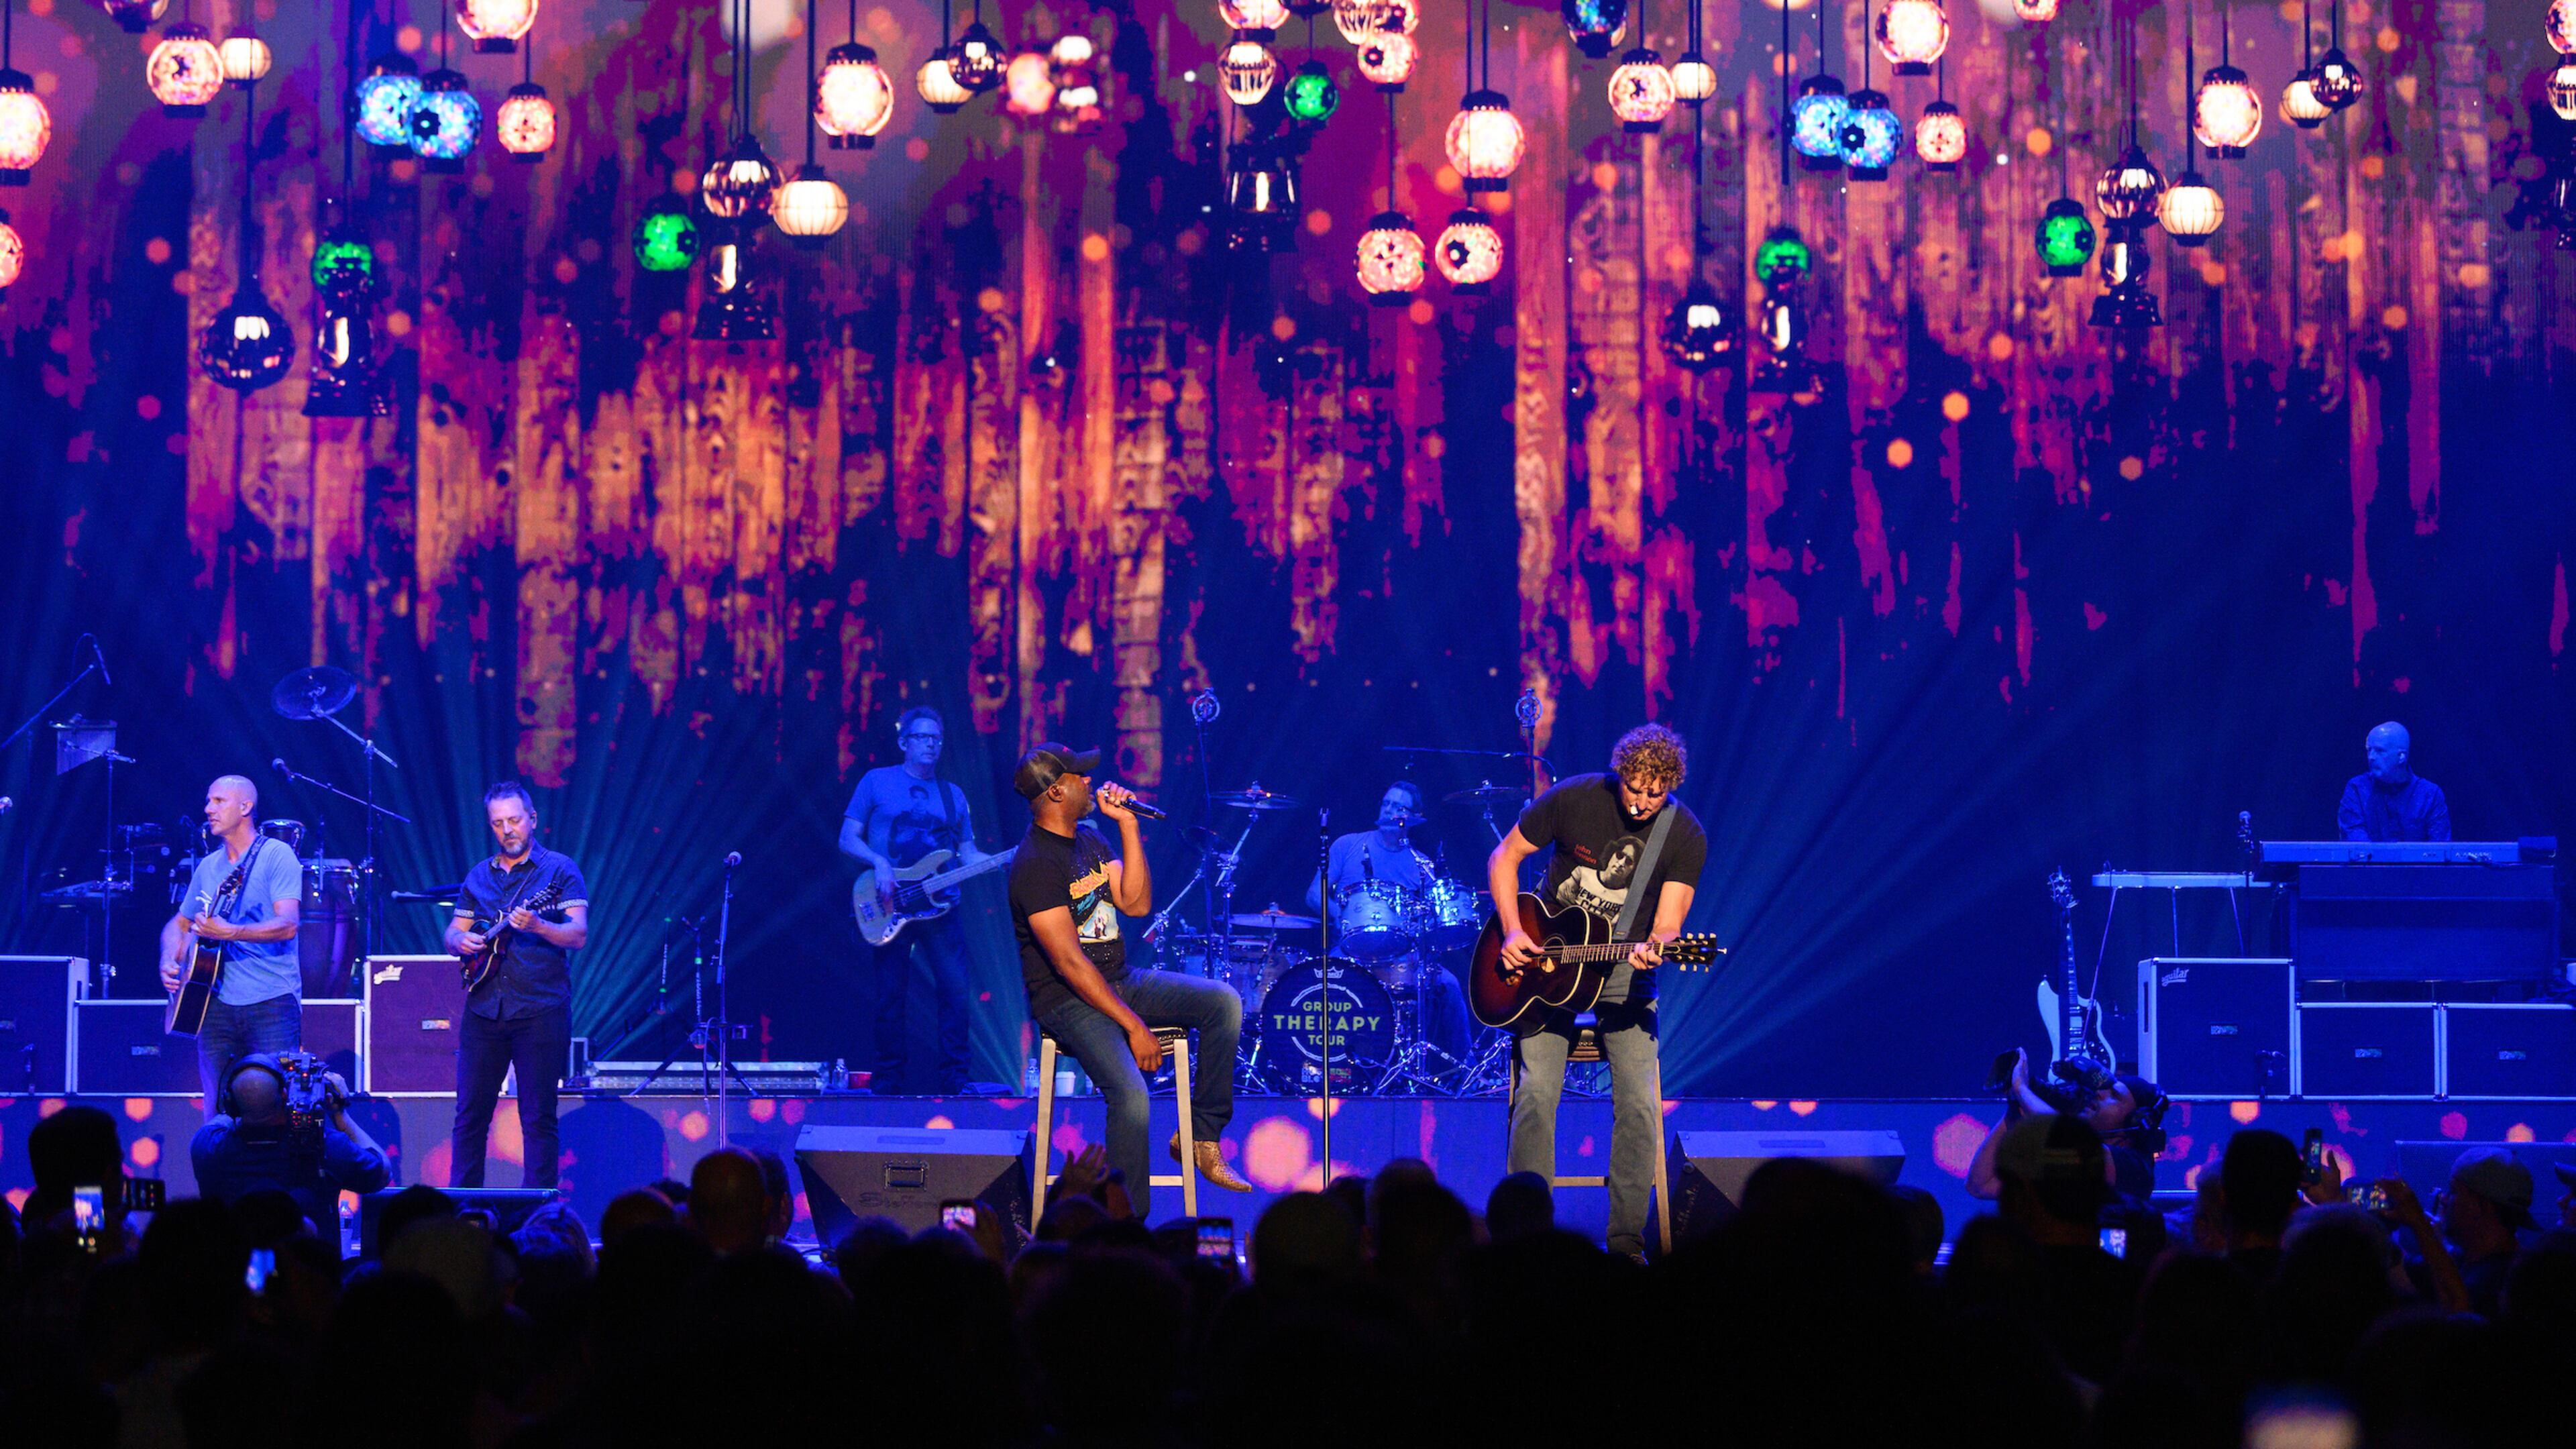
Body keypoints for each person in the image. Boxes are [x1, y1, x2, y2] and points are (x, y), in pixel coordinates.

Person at [1485, 724, 1705, 1261]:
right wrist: (1514, 930)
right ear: (1620, 773)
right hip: (1546, 967)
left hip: (1624, 977)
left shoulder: (1684, 835)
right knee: (1537, 1093)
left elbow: (1670, 923)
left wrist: (1657, 944)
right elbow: (1504, 858)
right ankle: (1527, 1242)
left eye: (1656, 793)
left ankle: (1626, 1241)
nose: (1643, 801)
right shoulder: (1575, 797)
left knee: (1639, 1103)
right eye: (1635, 787)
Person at [1006, 741, 1250, 1211]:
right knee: (1133, 1097)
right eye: (1079, 776)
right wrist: (1134, 1026)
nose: (1089, 781)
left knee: (1223, 1002)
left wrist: (1129, 825)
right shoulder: (1034, 864)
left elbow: (1136, 904)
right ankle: (1126, 1222)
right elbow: (1070, 965)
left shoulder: (1091, 838)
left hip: (1120, 978)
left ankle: (1201, 1136)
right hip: (1067, 999)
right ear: (1056, 793)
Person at [445, 781, 590, 1190]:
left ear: (533, 820)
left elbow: (578, 934)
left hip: (540, 1011)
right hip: (484, 1008)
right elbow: (452, 933)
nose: (508, 830)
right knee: (470, 1117)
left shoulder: (560, 870)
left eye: (514, 820)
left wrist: (541, 925)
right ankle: (464, 1209)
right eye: (498, 823)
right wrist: (462, 941)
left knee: (538, 1118)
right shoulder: (478, 875)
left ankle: (536, 1215)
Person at [840, 706, 990, 1095]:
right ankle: (889, 1082)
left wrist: (1006, 860)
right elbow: (847, 837)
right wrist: (879, 864)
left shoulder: (952, 795)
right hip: (889, 901)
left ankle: (956, 1080)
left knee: (955, 993)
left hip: (941, 905)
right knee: (891, 995)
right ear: (904, 742)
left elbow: (967, 852)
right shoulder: (876, 782)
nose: (931, 745)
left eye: (936, 739)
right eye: (923, 738)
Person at [1303, 780, 1474, 1073]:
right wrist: (1342, 916)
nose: (1390, 811)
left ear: (1413, 818)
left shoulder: (1421, 863)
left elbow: (1429, 918)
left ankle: (1464, 1070)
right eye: (1387, 804)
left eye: (1399, 807)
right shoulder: (1348, 845)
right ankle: (1321, 1068)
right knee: (1320, 981)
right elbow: (1313, 895)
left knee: (1449, 984)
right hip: (1352, 951)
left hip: (1401, 959)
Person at [160, 775, 307, 1106]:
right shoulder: (208, 867)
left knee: (276, 1104)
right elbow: (179, 924)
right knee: (219, 1109)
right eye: (209, 801)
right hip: (214, 1005)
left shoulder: (276, 855)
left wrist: (233, 932)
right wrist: (169, 958)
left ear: (246, 807)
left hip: (271, 1001)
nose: (208, 809)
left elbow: (288, 925)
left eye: (218, 801)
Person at [189, 1053, 390, 1238]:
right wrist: (340, 1115)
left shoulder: (208, 1146)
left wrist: (250, 1092)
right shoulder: (325, 1146)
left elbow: (229, 1115)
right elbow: (382, 1173)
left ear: (230, 1101)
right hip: (310, 1272)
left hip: (236, 1272)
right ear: (285, 1095)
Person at [1965, 1048, 2162, 1204]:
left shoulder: (2137, 1170)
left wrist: (2022, 1089)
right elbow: (1982, 1184)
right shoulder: (2065, 1160)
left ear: (2135, 1121)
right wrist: (2016, 1104)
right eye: (2100, 1088)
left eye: (2114, 1096)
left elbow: (2072, 1141)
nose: (2100, 1093)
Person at [2337, 720, 2451, 842]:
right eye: (2369, 750)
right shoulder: (2357, 788)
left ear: (2401, 756)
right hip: (2370, 862)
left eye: (2380, 751)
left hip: (2416, 862)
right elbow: (2356, 845)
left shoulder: (2430, 794)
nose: (2371, 757)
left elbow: (2440, 849)